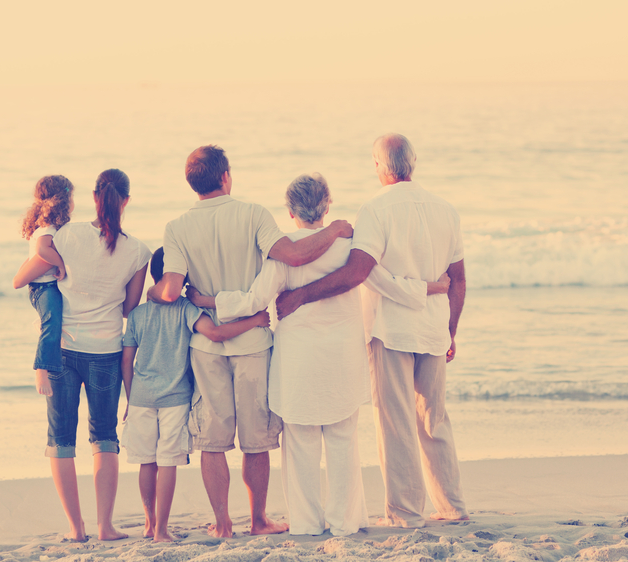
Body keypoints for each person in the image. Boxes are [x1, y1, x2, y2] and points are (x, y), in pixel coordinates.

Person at [187, 173, 449, 536]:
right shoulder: (349, 246)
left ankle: (307, 524)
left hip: (298, 360)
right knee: (344, 441)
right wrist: (431, 288)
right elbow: (385, 284)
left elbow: (252, 301)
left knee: (300, 446)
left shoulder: (281, 254)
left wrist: (208, 301)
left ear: (289, 210)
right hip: (342, 356)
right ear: (327, 205)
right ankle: (345, 523)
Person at [146, 145, 353, 537]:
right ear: (226, 177)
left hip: (206, 347)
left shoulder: (176, 228)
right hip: (254, 341)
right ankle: (258, 520)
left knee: (212, 438)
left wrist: (154, 296)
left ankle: (223, 523)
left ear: (192, 183)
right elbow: (291, 255)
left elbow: (171, 289)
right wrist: (336, 230)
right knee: (255, 439)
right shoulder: (253, 213)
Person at [276, 134, 468, 528]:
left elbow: (358, 271)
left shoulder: (376, 210)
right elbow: (459, 279)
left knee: (395, 421)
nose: (374, 170)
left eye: (374, 164)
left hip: (391, 329)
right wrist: (451, 330)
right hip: (433, 328)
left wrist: (301, 296)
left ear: (383, 167)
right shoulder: (446, 210)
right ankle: (451, 506)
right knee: (434, 419)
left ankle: (406, 512)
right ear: (412, 163)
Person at [121, 247, 274, 543]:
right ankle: (162, 531)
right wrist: (254, 322)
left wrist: (129, 397)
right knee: (166, 462)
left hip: (140, 398)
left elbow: (127, 360)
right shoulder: (186, 310)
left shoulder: (137, 315)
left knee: (146, 462)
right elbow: (215, 334)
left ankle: (149, 524)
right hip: (175, 399)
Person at [36, 168, 151, 541]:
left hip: (64, 351)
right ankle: (105, 527)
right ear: (126, 201)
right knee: (104, 438)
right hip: (106, 352)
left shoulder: (67, 235)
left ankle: (76, 529)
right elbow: (128, 309)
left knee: (61, 441)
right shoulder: (138, 251)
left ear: (94, 197)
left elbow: (40, 272)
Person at [12, 175, 74, 397]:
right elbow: (41, 251)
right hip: (44, 287)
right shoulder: (47, 229)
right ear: (63, 201)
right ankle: (41, 369)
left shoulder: (48, 226)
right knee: (52, 323)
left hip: (46, 286)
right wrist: (61, 264)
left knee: (60, 324)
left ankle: (66, 367)